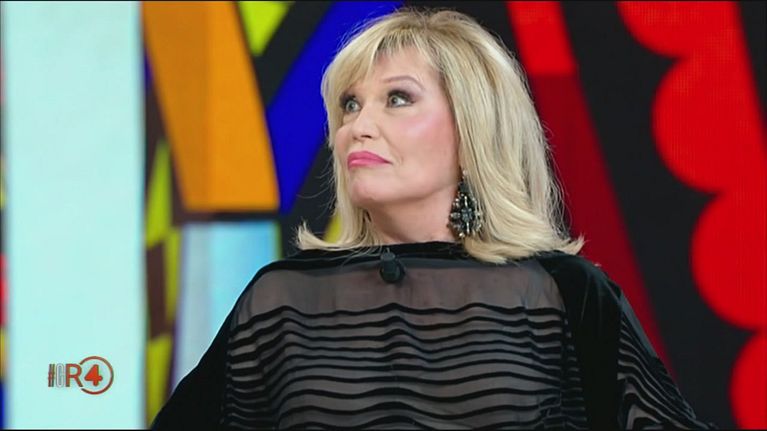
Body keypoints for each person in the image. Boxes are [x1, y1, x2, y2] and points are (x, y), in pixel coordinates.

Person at [152, 8, 714, 430]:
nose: (357, 127)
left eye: (397, 98)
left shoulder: (563, 293)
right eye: (349, 104)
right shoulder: (282, 300)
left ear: (472, 130)